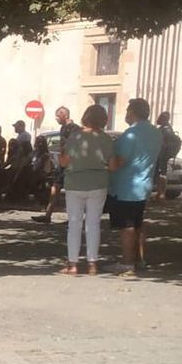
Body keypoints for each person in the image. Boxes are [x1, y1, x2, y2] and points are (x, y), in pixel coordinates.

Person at [58, 103, 114, 275]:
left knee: (74, 224)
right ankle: (92, 264)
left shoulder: (75, 137)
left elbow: (64, 162)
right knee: (93, 224)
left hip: (75, 183)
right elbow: (112, 165)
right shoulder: (106, 139)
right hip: (98, 183)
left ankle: (73, 264)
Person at [109, 97, 163, 273]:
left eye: (127, 110)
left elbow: (120, 161)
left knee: (127, 226)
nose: (126, 114)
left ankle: (127, 262)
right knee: (138, 224)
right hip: (144, 183)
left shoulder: (130, 134)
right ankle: (139, 259)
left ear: (132, 112)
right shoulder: (156, 133)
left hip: (127, 186)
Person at [35, 106, 81, 223]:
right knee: (55, 187)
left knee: (71, 191)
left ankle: (74, 217)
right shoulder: (63, 128)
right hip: (63, 163)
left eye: (57, 116)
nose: (56, 118)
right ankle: (48, 214)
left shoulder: (74, 128)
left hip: (71, 163)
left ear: (64, 115)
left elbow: (73, 145)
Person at [155, 111, 182, 200]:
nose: (158, 119)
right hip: (162, 155)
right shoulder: (167, 128)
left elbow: (163, 143)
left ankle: (161, 194)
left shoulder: (165, 129)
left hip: (162, 156)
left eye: (160, 117)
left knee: (161, 175)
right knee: (161, 175)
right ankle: (160, 194)